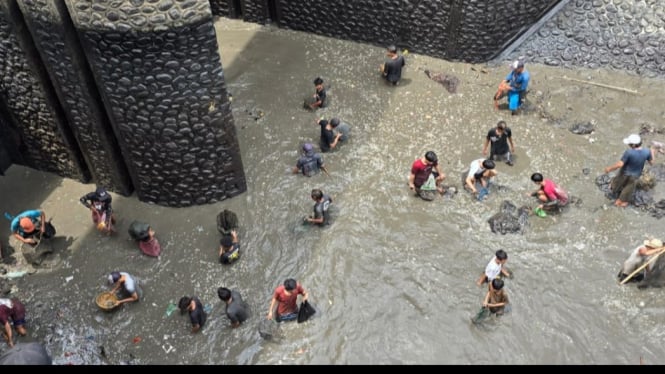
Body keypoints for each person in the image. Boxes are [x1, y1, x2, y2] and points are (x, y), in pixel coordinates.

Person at [604, 134, 653, 207]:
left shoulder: (629, 152)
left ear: (633, 145)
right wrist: (652, 152)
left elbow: (620, 164)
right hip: (635, 176)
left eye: (630, 144)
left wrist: (609, 168)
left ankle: (614, 191)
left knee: (616, 183)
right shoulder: (647, 152)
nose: (629, 145)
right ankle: (621, 201)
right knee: (628, 189)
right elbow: (651, 162)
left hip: (624, 173)